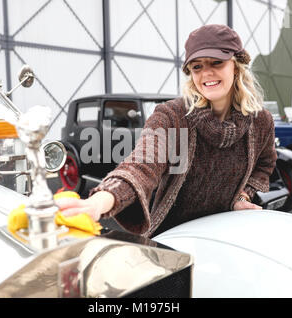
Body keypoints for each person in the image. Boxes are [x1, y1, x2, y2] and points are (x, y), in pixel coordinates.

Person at [55, 24, 277, 238]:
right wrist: (96, 203)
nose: (206, 73)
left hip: (226, 231)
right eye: (197, 66)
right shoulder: (172, 116)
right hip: (173, 236)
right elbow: (141, 166)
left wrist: (242, 195)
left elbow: (264, 165)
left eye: (216, 62)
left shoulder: (261, 122)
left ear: (236, 66)